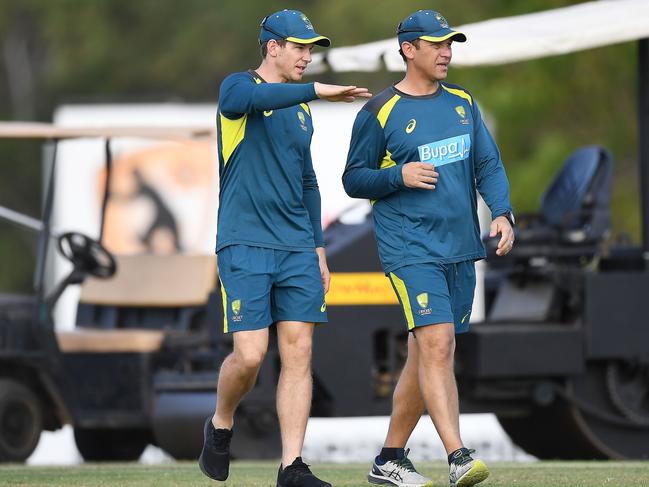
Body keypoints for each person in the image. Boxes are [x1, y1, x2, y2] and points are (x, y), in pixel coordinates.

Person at [199, 9, 371, 487]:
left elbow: (308, 180)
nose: (307, 57)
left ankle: (291, 466)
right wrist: (318, 90)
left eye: (311, 49)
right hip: (244, 241)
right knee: (251, 355)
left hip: (296, 245)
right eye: (299, 47)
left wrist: (317, 247)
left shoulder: (300, 110)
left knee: (299, 350)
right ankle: (220, 423)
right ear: (272, 47)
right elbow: (251, 98)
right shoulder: (236, 88)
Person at [343, 10, 515, 487]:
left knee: (428, 353)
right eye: (437, 44)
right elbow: (354, 179)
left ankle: (390, 459)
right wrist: (399, 175)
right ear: (408, 50)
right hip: (409, 247)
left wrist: (501, 212)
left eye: (450, 44)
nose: (446, 52)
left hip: (460, 247)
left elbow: (489, 164)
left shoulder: (463, 102)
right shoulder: (379, 111)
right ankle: (458, 455)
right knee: (436, 342)